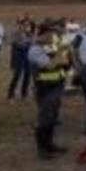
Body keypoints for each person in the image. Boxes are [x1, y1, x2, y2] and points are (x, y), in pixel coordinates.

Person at [27, 21, 70, 160]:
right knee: (44, 118)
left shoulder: (49, 47)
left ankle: (49, 144)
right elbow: (50, 65)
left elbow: (63, 63)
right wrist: (59, 53)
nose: (54, 36)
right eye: (51, 33)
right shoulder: (35, 50)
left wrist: (59, 57)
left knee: (52, 117)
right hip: (44, 88)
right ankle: (42, 148)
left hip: (56, 86)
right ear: (43, 34)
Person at [8, 19, 33, 101]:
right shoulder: (16, 33)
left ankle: (24, 94)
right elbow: (15, 44)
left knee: (28, 75)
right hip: (19, 57)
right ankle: (11, 95)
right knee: (17, 76)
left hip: (27, 57)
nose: (27, 27)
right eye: (25, 25)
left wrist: (27, 43)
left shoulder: (29, 34)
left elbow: (32, 44)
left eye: (28, 25)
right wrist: (25, 45)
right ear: (21, 25)